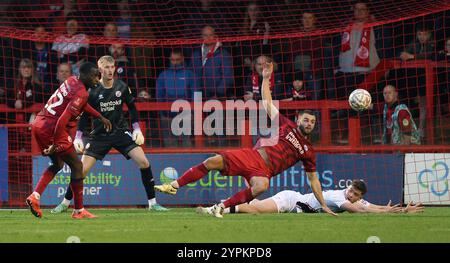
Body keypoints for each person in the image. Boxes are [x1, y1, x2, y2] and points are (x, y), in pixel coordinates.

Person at [155, 62, 336, 218]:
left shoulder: (308, 150)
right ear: (298, 120)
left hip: (265, 170)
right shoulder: (286, 124)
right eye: (306, 119)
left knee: (261, 186)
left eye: (312, 121)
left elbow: (313, 179)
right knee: (211, 161)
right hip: (253, 156)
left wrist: (324, 205)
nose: (309, 123)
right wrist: (266, 78)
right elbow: (267, 103)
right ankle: (174, 185)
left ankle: (221, 207)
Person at [51, 56, 168, 214]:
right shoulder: (92, 90)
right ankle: (65, 203)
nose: (110, 70)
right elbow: (84, 115)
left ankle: (153, 203)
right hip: (99, 135)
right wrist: (78, 136)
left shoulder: (122, 86)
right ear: (99, 70)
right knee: (81, 170)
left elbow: (132, 108)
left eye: (112, 67)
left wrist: (136, 128)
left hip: (120, 132)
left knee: (144, 162)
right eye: (106, 67)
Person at [26, 61, 112, 219]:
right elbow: (63, 120)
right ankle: (78, 211)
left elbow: (80, 105)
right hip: (52, 127)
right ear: (85, 75)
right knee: (77, 166)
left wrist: (100, 116)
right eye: (94, 76)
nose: (96, 80)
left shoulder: (72, 80)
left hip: (40, 123)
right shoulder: (82, 92)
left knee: (58, 164)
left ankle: (35, 196)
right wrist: (55, 143)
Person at [197, 179, 424, 215]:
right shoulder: (339, 197)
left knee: (255, 205)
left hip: (294, 201)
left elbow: (372, 206)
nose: (352, 195)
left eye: (355, 194)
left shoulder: (355, 198)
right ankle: (216, 209)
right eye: (352, 191)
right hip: (290, 201)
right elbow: (362, 210)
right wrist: (389, 212)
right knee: (255, 210)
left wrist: (399, 210)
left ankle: (220, 206)